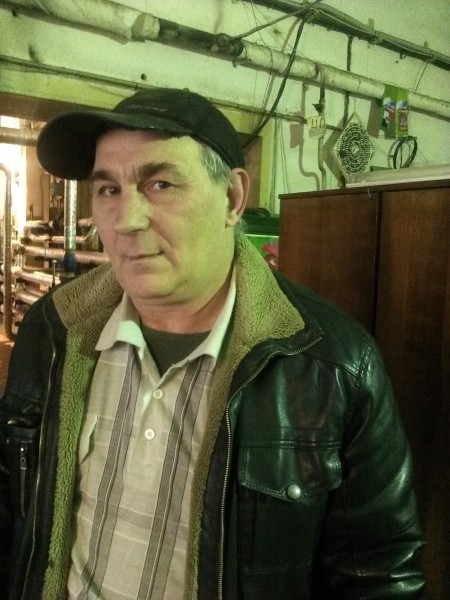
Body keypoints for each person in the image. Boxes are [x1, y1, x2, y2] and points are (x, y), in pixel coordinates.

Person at [0, 88, 426, 600]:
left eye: (160, 184)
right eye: (108, 189)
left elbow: (378, 574)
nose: (125, 220)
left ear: (232, 199)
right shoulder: (55, 330)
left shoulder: (331, 365)